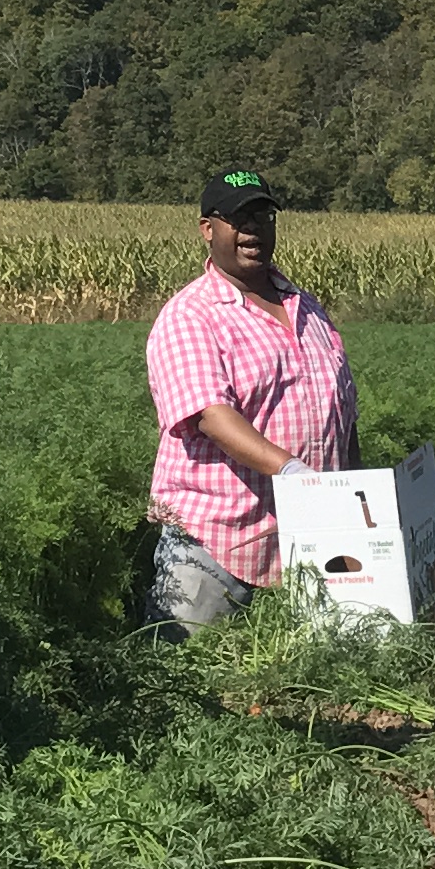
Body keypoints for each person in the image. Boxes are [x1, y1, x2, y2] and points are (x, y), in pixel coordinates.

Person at [142, 169, 362, 630]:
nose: (253, 229)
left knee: (300, 687)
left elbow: (340, 411)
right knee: (189, 679)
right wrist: (291, 471)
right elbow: (210, 416)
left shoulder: (305, 306)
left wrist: (356, 496)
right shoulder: (191, 315)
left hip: (308, 542)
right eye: (238, 218)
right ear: (208, 229)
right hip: (216, 545)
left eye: (263, 215)